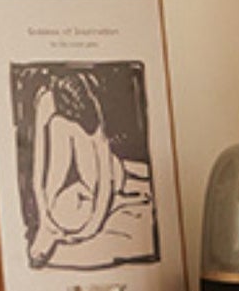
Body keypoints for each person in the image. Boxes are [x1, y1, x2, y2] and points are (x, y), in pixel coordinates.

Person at [25, 73, 152, 268]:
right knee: (64, 128)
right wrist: (87, 227)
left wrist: (90, 227)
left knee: (116, 168)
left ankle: (128, 183)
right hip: (83, 197)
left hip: (90, 190)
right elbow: (39, 168)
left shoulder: (80, 110)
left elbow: (103, 167)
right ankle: (128, 183)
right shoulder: (50, 106)